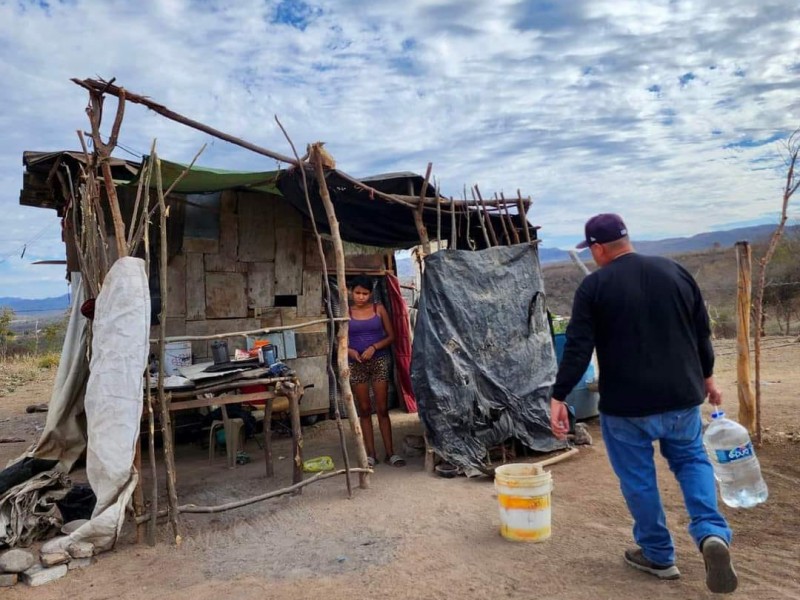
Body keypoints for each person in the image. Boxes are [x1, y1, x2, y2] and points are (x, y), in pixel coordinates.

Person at [549, 214, 737, 594]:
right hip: (681, 396)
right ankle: (711, 534)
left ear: (598, 249)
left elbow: (579, 348)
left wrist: (559, 394)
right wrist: (709, 378)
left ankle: (658, 555)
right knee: (691, 461)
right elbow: (701, 332)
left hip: (625, 406)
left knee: (638, 478)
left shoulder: (594, 286)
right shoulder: (676, 272)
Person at [347, 275, 405, 467]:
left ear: (371, 294)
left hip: (379, 360)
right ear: (351, 292)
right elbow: (338, 341)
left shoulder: (378, 309)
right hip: (355, 363)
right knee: (364, 409)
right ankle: (370, 454)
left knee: (382, 409)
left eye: (365, 293)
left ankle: (391, 453)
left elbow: (391, 336)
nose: (361, 297)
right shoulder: (345, 313)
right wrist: (351, 351)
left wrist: (374, 347)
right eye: (357, 293)